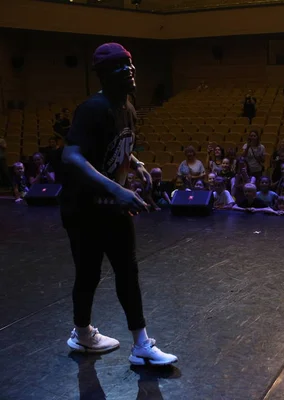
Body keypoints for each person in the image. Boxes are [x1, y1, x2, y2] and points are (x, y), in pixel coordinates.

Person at [60, 43, 177, 365]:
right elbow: (71, 154)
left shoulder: (127, 105)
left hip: (112, 206)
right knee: (89, 274)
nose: (129, 71)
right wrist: (118, 189)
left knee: (128, 271)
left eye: (130, 65)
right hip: (83, 209)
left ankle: (141, 344)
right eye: (119, 68)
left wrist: (135, 162)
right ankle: (81, 333)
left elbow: (115, 141)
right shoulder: (92, 108)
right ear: (103, 75)